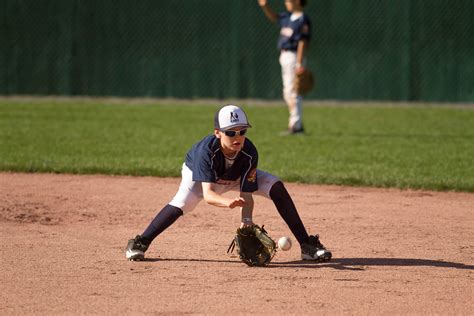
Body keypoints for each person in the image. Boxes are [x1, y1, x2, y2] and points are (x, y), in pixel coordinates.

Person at [125, 105, 331, 262]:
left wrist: (247, 221)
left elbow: (247, 192)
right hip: (199, 179)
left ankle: (307, 246)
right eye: (231, 132)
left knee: (276, 186)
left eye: (242, 131)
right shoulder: (206, 152)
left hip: (233, 178)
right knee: (183, 202)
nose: (238, 137)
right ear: (218, 132)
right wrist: (228, 202)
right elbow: (209, 195)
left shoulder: (249, 152)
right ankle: (141, 242)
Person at [258, 0, 311, 135]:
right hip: (285, 56)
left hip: (294, 57)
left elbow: (302, 42)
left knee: (292, 91)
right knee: (289, 92)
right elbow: (274, 18)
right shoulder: (287, 17)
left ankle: (296, 125)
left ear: (298, 2)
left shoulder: (303, 19)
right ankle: (295, 123)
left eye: (289, 0)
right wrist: (265, 7)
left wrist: (299, 64)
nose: (286, 2)